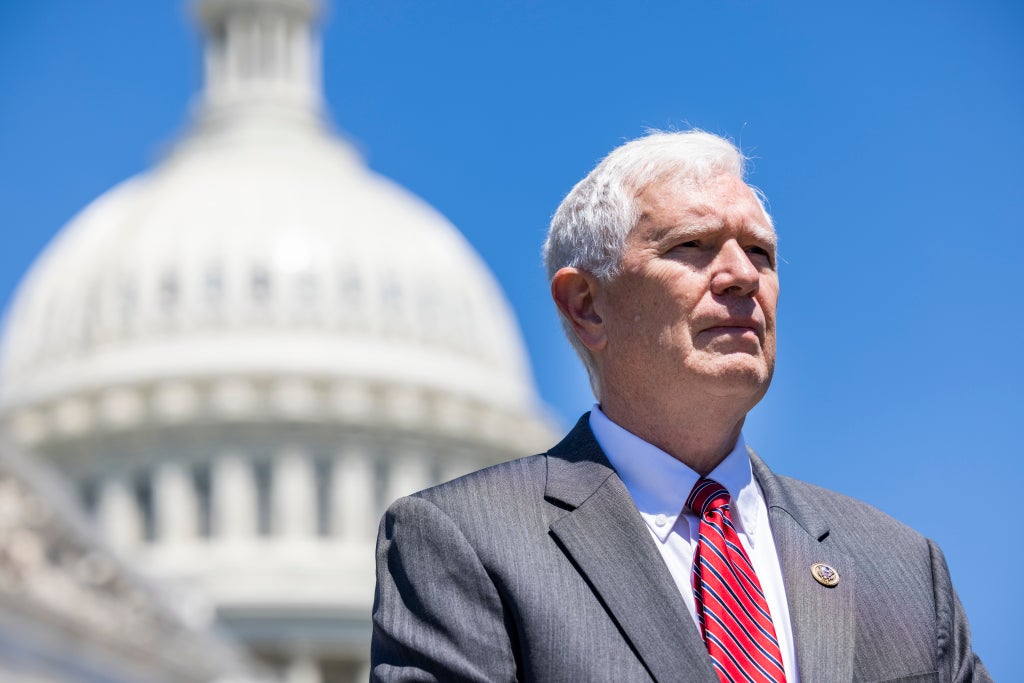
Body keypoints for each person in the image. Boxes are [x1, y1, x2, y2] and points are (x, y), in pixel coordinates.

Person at [370, 130, 990, 682]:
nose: (741, 276)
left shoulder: (903, 568)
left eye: (761, 253)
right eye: (693, 245)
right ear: (586, 304)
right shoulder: (467, 541)